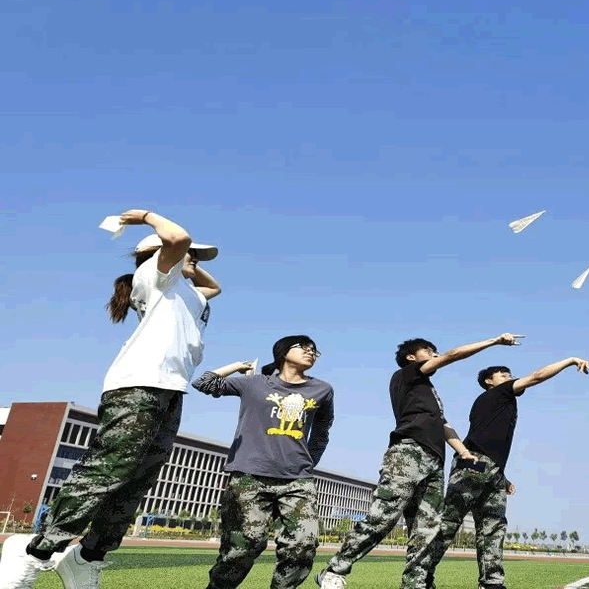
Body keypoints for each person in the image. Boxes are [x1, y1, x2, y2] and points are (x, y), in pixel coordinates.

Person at [0, 210, 221, 589]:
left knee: (136, 480)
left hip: (171, 390)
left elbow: (214, 287)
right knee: (108, 471)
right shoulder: (155, 277)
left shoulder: (188, 293)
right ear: (157, 254)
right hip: (137, 384)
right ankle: (34, 550)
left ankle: (88, 556)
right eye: (191, 256)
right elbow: (179, 239)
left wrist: (192, 264)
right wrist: (148, 218)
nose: (195, 260)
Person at [316, 333, 522, 589]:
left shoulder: (429, 392)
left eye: (435, 352)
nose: (435, 355)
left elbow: (444, 426)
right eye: (429, 351)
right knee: (385, 516)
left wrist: (464, 452)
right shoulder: (406, 375)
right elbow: (452, 356)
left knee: (427, 529)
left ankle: (415, 584)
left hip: (435, 462)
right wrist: (493, 342)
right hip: (407, 454)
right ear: (412, 357)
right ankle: (334, 569)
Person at [428, 357, 589, 589]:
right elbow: (537, 376)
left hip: (490, 469)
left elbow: (486, 440)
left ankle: (492, 583)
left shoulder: (497, 402)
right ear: (490, 382)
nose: (510, 379)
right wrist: (570, 361)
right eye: (504, 376)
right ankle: (421, 574)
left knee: (493, 527)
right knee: (450, 522)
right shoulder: (499, 393)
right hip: (473, 464)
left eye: (510, 375)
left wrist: (500, 475)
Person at [192, 335, 334, 589]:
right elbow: (203, 382)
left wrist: (308, 462)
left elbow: (322, 430)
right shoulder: (254, 384)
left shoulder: (322, 390)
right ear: (282, 352)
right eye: (304, 347)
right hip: (249, 476)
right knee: (243, 547)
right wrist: (238, 366)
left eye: (315, 350)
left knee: (302, 546)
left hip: (297, 480)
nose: (311, 352)